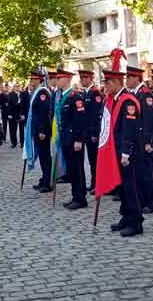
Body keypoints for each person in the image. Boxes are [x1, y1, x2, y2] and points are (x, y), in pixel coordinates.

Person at [104, 70, 145, 237]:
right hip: (119, 150)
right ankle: (126, 217)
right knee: (123, 187)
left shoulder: (128, 101)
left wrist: (126, 153)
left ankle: (136, 222)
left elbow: (129, 130)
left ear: (115, 82)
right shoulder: (117, 99)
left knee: (131, 187)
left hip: (129, 153)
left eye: (107, 83)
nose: (105, 87)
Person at [126, 66, 153, 213]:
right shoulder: (134, 93)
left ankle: (152, 203)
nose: (127, 80)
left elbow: (149, 120)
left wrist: (148, 141)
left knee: (148, 173)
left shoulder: (145, 94)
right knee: (140, 172)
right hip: (137, 140)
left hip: (145, 141)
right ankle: (143, 199)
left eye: (128, 77)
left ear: (135, 78)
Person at [55, 70, 87, 210]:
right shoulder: (62, 96)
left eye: (59, 77)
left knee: (77, 169)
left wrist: (79, 139)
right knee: (72, 170)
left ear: (67, 79)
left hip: (74, 140)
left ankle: (80, 199)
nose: (57, 80)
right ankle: (76, 196)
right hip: (66, 139)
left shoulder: (75, 97)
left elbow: (80, 120)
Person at [27, 71, 53, 193]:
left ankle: (47, 183)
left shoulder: (43, 92)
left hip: (42, 131)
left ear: (39, 80)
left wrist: (42, 130)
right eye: (31, 79)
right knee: (42, 157)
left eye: (33, 79)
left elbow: (44, 113)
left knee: (45, 157)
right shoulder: (35, 92)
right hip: (37, 129)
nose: (31, 81)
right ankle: (44, 179)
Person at [78, 70, 103, 192]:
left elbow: (96, 115)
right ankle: (94, 182)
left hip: (92, 133)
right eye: (81, 78)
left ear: (89, 79)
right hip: (86, 132)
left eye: (84, 78)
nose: (81, 80)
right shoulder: (85, 93)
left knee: (95, 160)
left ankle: (97, 184)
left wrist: (94, 133)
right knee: (91, 159)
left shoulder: (95, 93)